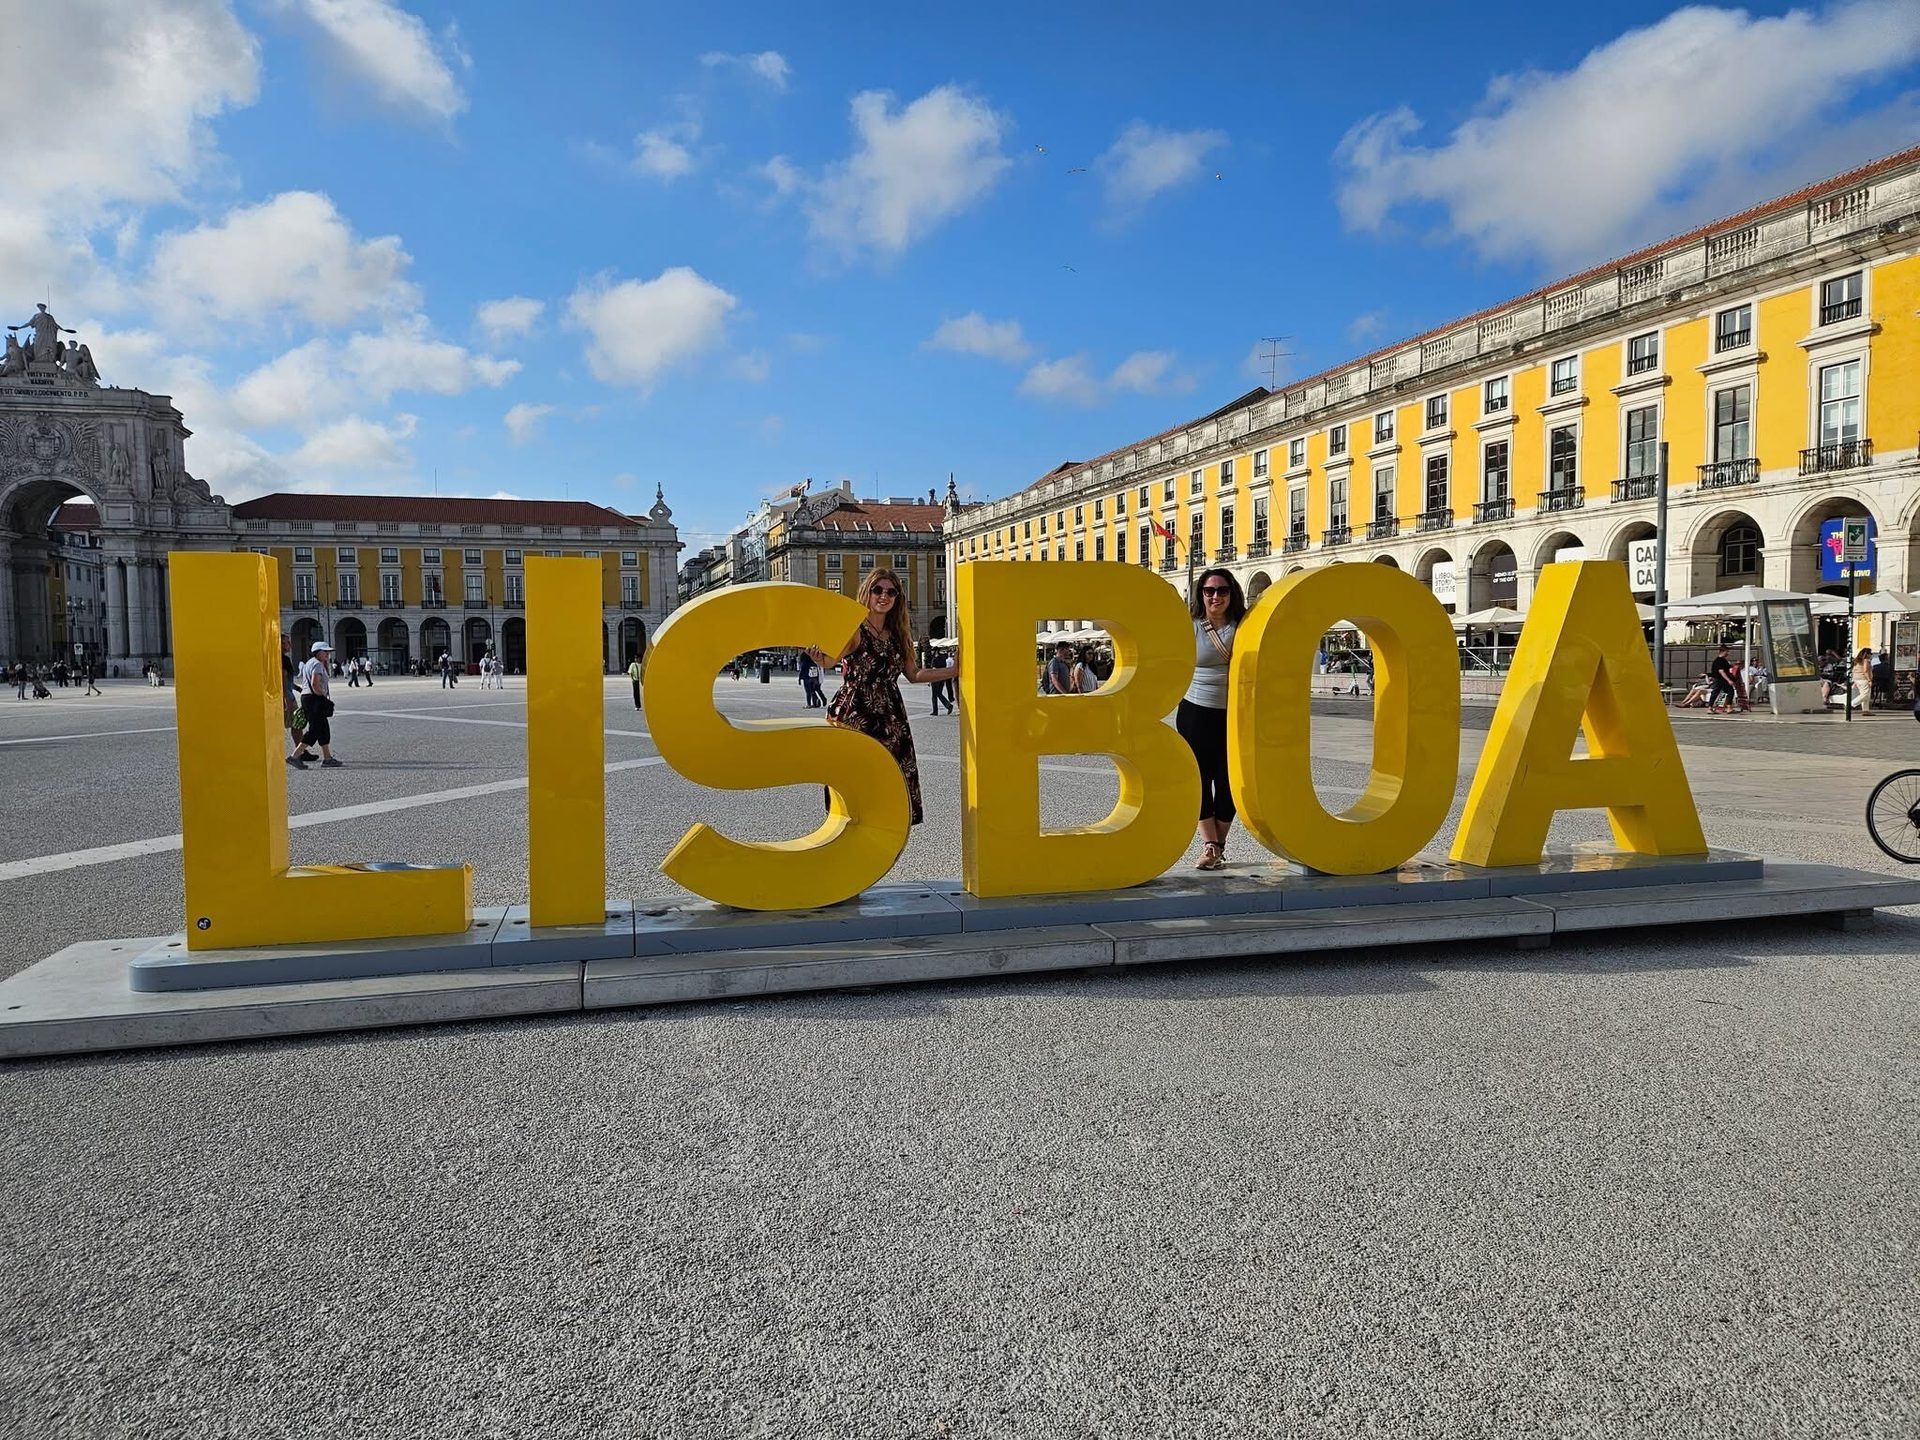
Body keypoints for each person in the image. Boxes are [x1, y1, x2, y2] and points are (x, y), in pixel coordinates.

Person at [806, 567, 955, 826]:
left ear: (897, 598)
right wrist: (818, 657)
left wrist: (953, 670)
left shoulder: (898, 634)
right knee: (855, 777)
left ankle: (883, 830)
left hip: (890, 714)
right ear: (867, 592)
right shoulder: (855, 629)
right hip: (856, 711)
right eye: (878, 590)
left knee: (891, 774)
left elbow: (914, 674)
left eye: (891, 592)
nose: (883, 596)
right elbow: (831, 660)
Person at [1179, 568, 1245, 871]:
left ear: (1232, 594)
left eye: (1222, 590)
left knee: (1229, 781)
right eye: (1209, 591)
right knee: (1199, 780)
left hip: (1234, 714)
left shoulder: (1244, 626)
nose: (1215, 596)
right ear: (1200, 595)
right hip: (1196, 712)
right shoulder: (1190, 627)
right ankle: (1211, 845)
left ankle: (1218, 846)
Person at [299, 641, 344, 767]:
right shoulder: (317, 664)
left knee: (323, 728)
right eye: (325, 652)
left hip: (307, 697)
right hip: (314, 698)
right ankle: (295, 756)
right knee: (315, 729)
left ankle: (327, 758)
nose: (328, 654)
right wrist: (323, 696)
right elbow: (315, 684)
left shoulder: (309, 663)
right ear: (318, 652)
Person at [282, 641, 315, 766]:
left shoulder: (282, 658)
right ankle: (299, 752)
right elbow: (283, 678)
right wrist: (287, 698)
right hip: (287, 697)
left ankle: (301, 751)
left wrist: (297, 688)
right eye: (286, 642)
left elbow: (287, 680)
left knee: (296, 724)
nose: (290, 645)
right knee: (296, 724)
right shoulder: (283, 659)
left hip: (288, 694)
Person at [1707, 646, 1736, 713]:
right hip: (1719, 679)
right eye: (1727, 651)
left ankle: (1728, 707)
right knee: (1716, 692)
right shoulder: (1719, 660)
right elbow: (1721, 671)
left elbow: (1728, 669)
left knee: (1730, 691)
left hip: (1722, 680)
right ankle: (1710, 707)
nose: (1728, 653)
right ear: (1722, 652)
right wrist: (1728, 680)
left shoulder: (1724, 660)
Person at [1852, 647, 1875, 713]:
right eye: (1870, 653)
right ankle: (1851, 704)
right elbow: (1865, 671)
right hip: (1863, 679)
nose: (1871, 655)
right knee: (1865, 695)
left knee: (1865, 695)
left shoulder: (1857, 661)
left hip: (1857, 679)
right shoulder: (1866, 660)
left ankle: (1866, 710)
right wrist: (1869, 680)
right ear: (1867, 654)